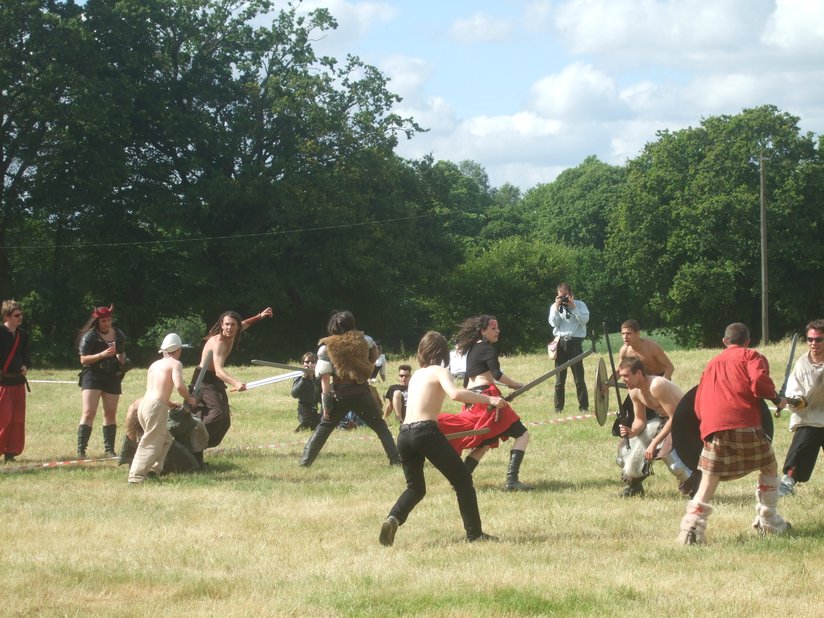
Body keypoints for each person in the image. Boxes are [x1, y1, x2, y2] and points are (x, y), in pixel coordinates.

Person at [380, 331, 503, 546]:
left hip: (404, 434)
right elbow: (455, 394)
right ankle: (475, 534)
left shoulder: (417, 374)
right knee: (463, 481)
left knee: (415, 488)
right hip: (425, 431)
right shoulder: (439, 371)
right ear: (442, 352)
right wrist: (490, 399)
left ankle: (393, 518)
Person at [677, 322, 790, 546]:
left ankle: (690, 529)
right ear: (747, 341)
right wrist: (777, 399)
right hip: (744, 423)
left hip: (713, 428)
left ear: (725, 342)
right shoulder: (751, 355)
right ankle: (768, 521)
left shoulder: (711, 364)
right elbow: (758, 382)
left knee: (708, 481)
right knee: (769, 468)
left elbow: (699, 401)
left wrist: (708, 427)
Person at [437, 315, 533, 491]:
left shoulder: (472, 350)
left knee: (484, 443)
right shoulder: (488, 349)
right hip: (487, 400)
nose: (498, 331)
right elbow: (497, 374)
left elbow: (467, 382)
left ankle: (460, 482)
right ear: (483, 331)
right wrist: (514, 384)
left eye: (497, 328)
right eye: (493, 328)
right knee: (522, 434)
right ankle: (512, 481)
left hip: (473, 401)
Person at [299, 310, 400, 467]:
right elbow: (374, 358)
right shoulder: (366, 341)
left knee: (324, 428)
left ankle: (304, 463)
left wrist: (326, 406)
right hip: (361, 392)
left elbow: (325, 378)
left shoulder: (326, 348)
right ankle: (396, 461)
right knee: (381, 427)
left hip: (340, 394)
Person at [189, 307, 273, 459]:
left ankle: (196, 451)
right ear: (221, 324)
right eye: (226, 324)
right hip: (203, 380)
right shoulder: (218, 342)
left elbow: (245, 323)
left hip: (214, 380)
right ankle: (189, 439)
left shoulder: (234, 332)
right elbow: (219, 371)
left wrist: (260, 316)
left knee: (225, 421)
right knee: (217, 413)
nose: (229, 328)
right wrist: (236, 382)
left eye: (233, 325)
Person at [611, 320, 676, 495]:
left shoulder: (651, 347)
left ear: (638, 333)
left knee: (664, 440)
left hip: (658, 390)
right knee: (632, 436)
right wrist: (607, 384)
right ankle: (634, 484)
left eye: (629, 333)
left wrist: (664, 384)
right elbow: (621, 370)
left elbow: (669, 366)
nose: (625, 337)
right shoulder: (624, 351)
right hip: (639, 390)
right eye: (623, 334)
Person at [616, 358, 694, 497]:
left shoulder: (657, 385)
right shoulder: (634, 391)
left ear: (638, 373)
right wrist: (631, 432)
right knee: (626, 449)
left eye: (626, 376)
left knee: (669, 455)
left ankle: (695, 489)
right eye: (622, 376)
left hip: (684, 422)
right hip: (664, 421)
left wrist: (654, 443)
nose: (623, 380)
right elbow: (640, 420)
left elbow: (674, 417)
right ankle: (635, 487)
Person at [128, 334, 197, 484]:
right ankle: (136, 476)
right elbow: (179, 385)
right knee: (151, 441)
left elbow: (155, 391)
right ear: (178, 350)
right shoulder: (175, 364)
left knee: (165, 439)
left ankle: (154, 469)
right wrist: (190, 398)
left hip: (144, 405)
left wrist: (170, 403)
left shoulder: (154, 365)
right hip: (155, 406)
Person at [778, 319, 824, 497]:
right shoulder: (802, 363)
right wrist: (796, 399)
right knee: (801, 446)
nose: (813, 343)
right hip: (808, 416)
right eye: (810, 339)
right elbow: (794, 390)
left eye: (818, 339)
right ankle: (787, 483)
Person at [76, 305, 127, 459]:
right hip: (92, 375)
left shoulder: (118, 335)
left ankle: (109, 450)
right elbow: (83, 359)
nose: (107, 323)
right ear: (98, 321)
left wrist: (122, 362)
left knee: (110, 413)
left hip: (111, 376)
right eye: (104, 321)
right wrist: (102, 354)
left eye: (109, 320)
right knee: (89, 412)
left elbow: (121, 353)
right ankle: (81, 451)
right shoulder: (90, 336)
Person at [548, 283, 589, 413]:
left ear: (571, 294)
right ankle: (558, 408)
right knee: (560, 379)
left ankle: (583, 407)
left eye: (565, 295)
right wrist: (556, 307)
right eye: (561, 296)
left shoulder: (580, 305)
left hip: (575, 342)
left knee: (579, 378)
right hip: (560, 343)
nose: (564, 298)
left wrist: (574, 307)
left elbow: (584, 320)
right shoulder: (555, 307)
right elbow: (553, 323)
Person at [0, 300, 30, 462]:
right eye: (17, 315)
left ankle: (10, 453)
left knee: (17, 419)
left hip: (18, 382)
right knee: (3, 418)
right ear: (7, 316)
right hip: (3, 383)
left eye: (21, 315)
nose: (20, 318)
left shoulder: (22, 334)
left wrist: (26, 365)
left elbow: (26, 355)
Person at [291, 352, 321, 432]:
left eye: (313, 362)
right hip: (304, 408)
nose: (310, 364)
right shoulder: (298, 376)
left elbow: (320, 395)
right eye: (307, 362)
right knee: (306, 423)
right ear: (303, 363)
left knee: (321, 424)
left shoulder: (318, 377)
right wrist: (304, 378)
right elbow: (294, 394)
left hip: (314, 407)